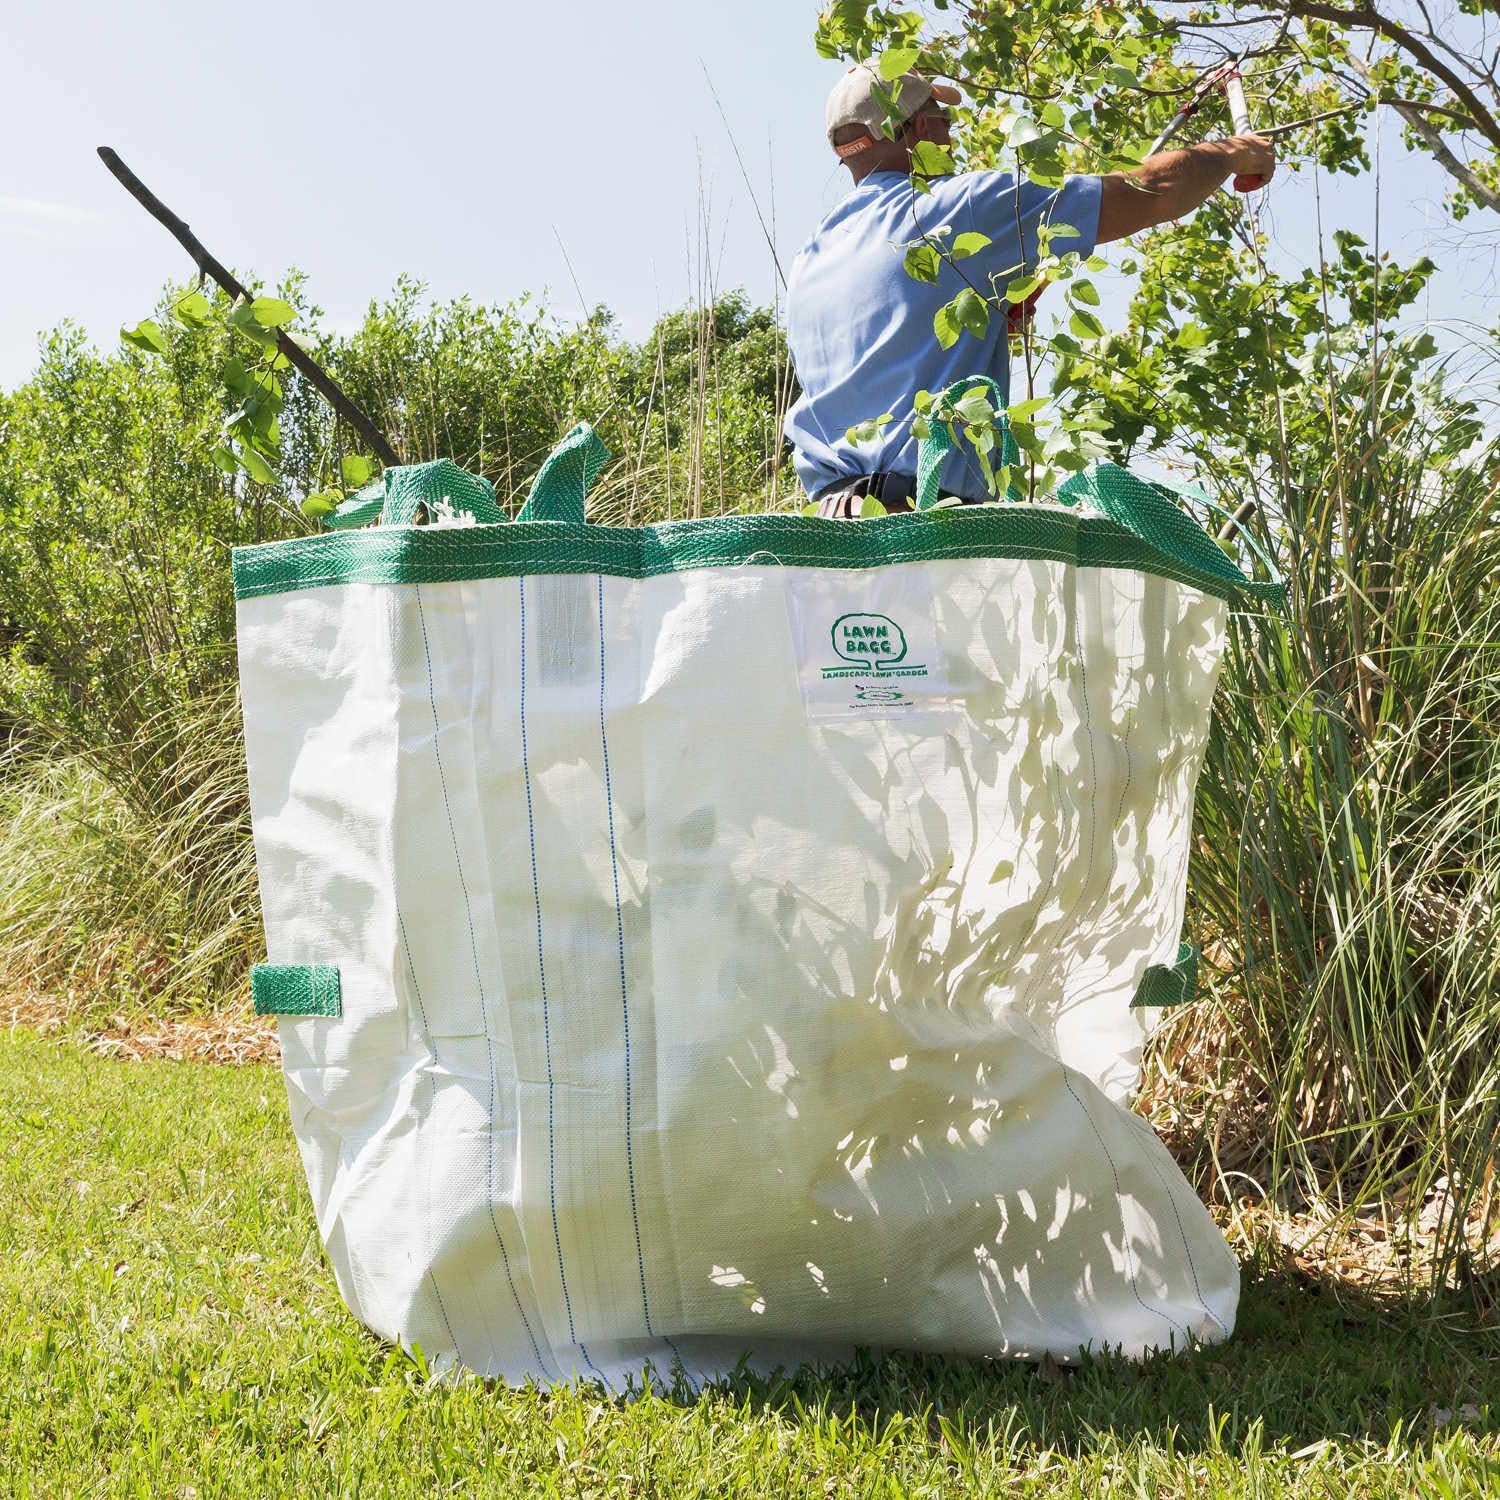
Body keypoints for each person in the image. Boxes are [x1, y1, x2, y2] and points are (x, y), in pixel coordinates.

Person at [784, 64, 1277, 516]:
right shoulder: (960, 210)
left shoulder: (810, 259)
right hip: (921, 525)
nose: (950, 133)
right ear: (915, 130)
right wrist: (1232, 153)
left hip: (827, 530)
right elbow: (1150, 190)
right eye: (940, 118)